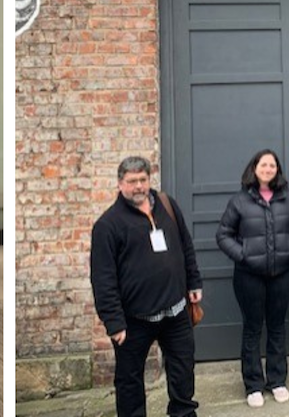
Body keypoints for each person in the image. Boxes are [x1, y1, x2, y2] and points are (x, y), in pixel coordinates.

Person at [90, 156, 202, 417]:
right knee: (129, 382)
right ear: (120, 184)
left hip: (176, 312)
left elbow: (185, 246)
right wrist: (114, 323)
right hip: (134, 320)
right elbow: (103, 279)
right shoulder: (108, 225)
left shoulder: (166, 205)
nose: (138, 186)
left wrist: (194, 282)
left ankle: (183, 413)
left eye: (143, 179)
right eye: (132, 181)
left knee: (183, 370)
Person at [216, 149, 289, 407]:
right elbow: (223, 235)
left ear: (277, 170)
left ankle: (276, 380)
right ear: (254, 168)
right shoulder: (240, 201)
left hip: (282, 274)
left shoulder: (288, 198)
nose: (267, 169)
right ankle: (253, 385)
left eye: (272, 165)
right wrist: (243, 255)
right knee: (252, 329)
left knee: (277, 327)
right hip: (249, 276)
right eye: (263, 165)